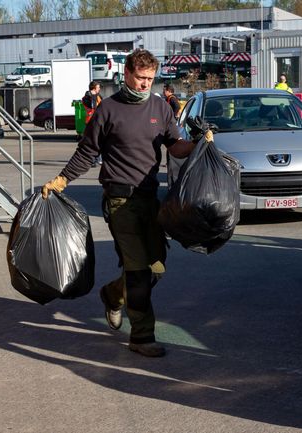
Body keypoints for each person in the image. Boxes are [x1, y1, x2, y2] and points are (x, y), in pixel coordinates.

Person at [41, 49, 212, 358]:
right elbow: (87, 152)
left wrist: (199, 142)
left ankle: (112, 295)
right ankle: (142, 336)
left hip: (150, 199)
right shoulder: (108, 109)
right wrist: (62, 179)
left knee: (155, 268)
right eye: (140, 78)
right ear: (127, 74)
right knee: (136, 269)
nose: (146, 84)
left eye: (150, 79)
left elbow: (175, 147)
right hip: (119, 201)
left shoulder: (161, 107)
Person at [82, 81, 103, 166]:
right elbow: (92, 107)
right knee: (93, 142)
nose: (99, 89)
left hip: (99, 121)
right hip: (91, 121)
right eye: (98, 87)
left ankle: (99, 158)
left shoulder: (98, 96)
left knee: (100, 141)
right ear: (94, 88)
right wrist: (93, 95)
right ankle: (94, 159)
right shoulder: (87, 97)